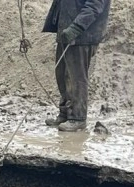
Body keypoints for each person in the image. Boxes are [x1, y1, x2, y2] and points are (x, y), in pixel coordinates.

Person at [42, 0, 111, 132]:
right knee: (62, 75)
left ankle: (78, 118)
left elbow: (94, 6)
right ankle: (65, 114)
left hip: (82, 36)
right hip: (66, 32)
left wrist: (76, 28)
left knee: (76, 78)